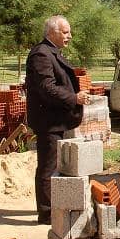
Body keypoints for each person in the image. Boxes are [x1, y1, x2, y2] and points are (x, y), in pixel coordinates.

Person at [25, 15, 89, 224]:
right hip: (48, 121)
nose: (70, 36)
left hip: (56, 119)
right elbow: (47, 88)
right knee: (48, 167)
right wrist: (74, 98)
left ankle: (51, 207)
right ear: (52, 32)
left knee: (52, 165)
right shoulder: (41, 54)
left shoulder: (51, 52)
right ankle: (46, 213)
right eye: (65, 32)